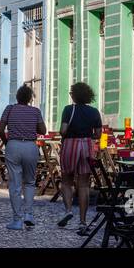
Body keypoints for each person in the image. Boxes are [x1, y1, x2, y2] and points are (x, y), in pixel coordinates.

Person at [0, 83, 47, 230]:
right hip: (30, 147)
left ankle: (17, 220)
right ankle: (29, 215)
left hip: (13, 145)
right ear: (30, 98)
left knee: (15, 185)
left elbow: (1, 129)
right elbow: (43, 130)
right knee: (30, 182)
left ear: (17, 97)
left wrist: (7, 142)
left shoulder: (9, 109)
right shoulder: (35, 111)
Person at [57, 82, 102, 233]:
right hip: (87, 145)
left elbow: (63, 130)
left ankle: (69, 210)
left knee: (66, 179)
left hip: (71, 144)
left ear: (74, 95)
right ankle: (83, 221)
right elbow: (98, 134)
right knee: (84, 184)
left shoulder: (69, 109)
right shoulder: (94, 112)